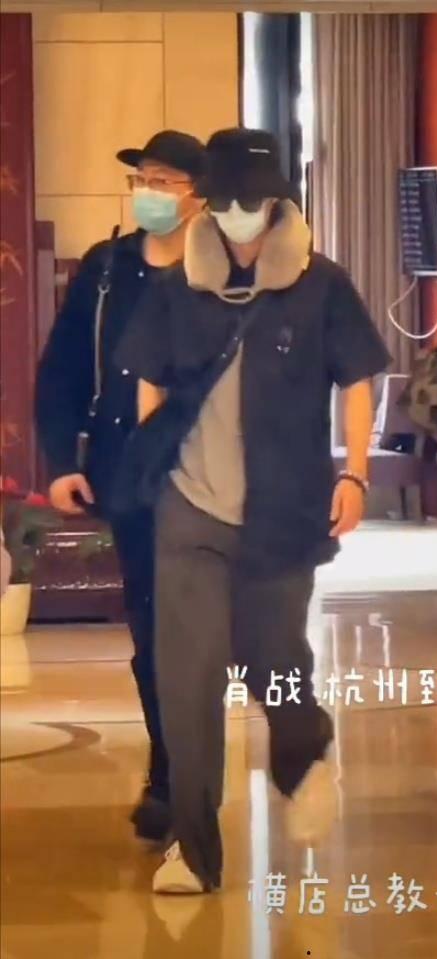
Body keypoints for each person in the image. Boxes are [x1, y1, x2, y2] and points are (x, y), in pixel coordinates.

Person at [113, 128, 391, 893]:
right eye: (225, 199)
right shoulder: (178, 287)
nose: (237, 213)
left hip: (283, 510)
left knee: (275, 663)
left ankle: (304, 756)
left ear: (276, 202)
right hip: (190, 511)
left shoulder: (320, 283)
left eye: (251, 200)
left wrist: (356, 473)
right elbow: (150, 377)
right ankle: (193, 847)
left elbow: (358, 379)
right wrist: (153, 459)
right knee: (188, 679)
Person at [35, 130, 207, 840]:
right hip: (127, 472)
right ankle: (169, 770)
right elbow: (62, 372)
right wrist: (61, 461)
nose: (148, 193)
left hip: (206, 476)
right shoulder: (106, 269)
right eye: (142, 180)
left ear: (199, 196)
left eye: (164, 181)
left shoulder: (225, 272)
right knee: (152, 626)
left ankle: (181, 773)